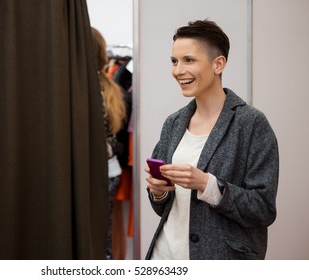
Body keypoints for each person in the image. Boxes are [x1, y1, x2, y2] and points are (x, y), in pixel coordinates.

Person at [145, 19, 279, 260]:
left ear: (218, 64)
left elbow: (263, 209)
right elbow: (161, 206)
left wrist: (207, 185)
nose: (178, 70)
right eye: (174, 61)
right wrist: (158, 191)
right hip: (164, 256)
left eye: (189, 60)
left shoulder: (251, 123)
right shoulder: (173, 123)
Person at [91, 27, 129, 260]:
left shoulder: (85, 88)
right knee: (102, 232)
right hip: (111, 170)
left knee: (95, 233)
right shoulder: (110, 87)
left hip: (99, 172)